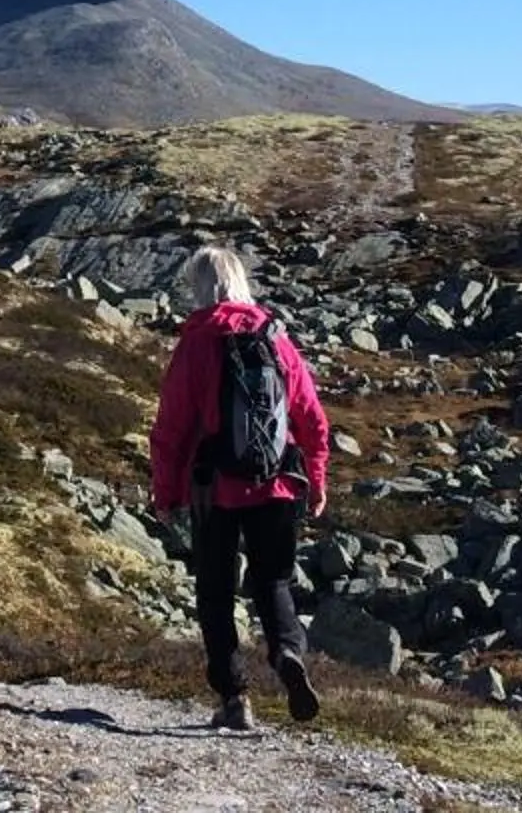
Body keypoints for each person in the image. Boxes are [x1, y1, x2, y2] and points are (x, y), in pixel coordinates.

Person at [148, 244, 331, 732]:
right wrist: (316, 480)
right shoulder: (276, 339)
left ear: (201, 287)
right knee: (273, 581)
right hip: (278, 486)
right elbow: (311, 418)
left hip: (215, 489)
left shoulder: (197, 341)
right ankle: (288, 652)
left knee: (215, 592)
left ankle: (235, 699)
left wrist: (165, 493)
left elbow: (172, 428)